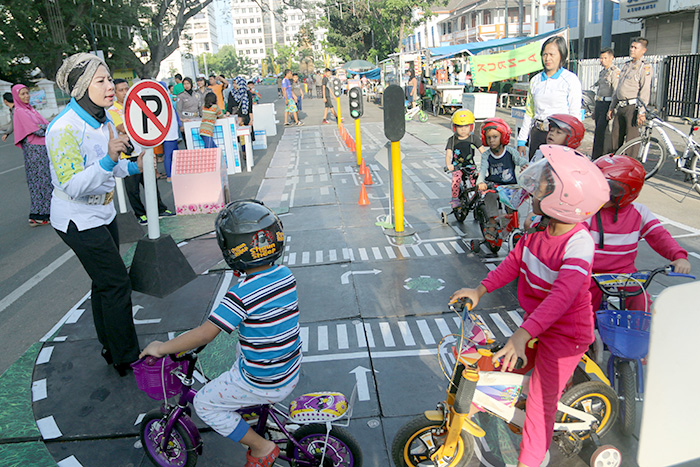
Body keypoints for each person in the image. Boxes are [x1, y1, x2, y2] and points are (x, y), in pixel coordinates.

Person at [450, 145, 610, 467]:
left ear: (565, 199)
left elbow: (562, 297)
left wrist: (523, 334)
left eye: (545, 184)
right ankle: (516, 415)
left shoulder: (579, 244)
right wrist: (481, 289)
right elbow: (513, 262)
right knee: (502, 367)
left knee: (539, 402)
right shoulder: (539, 228)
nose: (536, 187)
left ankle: (531, 459)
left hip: (565, 336)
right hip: (537, 325)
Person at [140, 200, 301, 467]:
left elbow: (205, 334)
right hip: (289, 367)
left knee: (204, 404)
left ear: (231, 250)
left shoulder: (241, 295)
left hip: (265, 381)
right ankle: (251, 415)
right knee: (244, 351)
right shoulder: (286, 275)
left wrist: (161, 348)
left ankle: (261, 447)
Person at [48, 53, 143, 375]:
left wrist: (133, 165)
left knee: (104, 283)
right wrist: (108, 160)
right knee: (117, 283)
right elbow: (73, 185)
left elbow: (111, 166)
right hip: (76, 218)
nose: (109, 87)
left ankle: (110, 345)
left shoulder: (103, 120)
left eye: (108, 79)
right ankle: (127, 356)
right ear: (80, 87)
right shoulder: (62, 128)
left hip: (103, 213)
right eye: (100, 81)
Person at [587, 155, 691, 313]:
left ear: (627, 192)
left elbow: (659, 236)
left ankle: (639, 333)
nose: (599, 192)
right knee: (584, 306)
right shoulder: (588, 210)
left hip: (623, 272)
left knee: (640, 300)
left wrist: (679, 257)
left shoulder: (640, 213)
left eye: (609, 188)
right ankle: (585, 336)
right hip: (589, 271)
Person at [107, 79, 173, 224]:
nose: (125, 92)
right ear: (115, 92)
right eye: (121, 90)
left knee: (151, 183)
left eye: (126, 89)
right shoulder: (112, 110)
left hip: (143, 150)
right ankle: (140, 214)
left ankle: (160, 209)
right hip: (127, 154)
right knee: (133, 189)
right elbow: (123, 128)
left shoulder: (136, 104)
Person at [517, 36, 582, 160]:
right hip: (537, 134)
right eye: (545, 54)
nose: (548, 58)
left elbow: (574, 114)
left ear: (562, 56)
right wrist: (522, 140)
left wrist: (572, 140)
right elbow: (529, 112)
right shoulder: (535, 80)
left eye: (552, 54)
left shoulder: (570, 80)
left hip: (559, 138)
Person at [12, 84, 54, 226]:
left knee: (46, 180)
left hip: (41, 149)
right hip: (34, 151)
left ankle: (46, 212)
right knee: (38, 182)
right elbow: (36, 129)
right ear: (17, 96)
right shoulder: (19, 111)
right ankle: (37, 215)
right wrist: (46, 127)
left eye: (27, 93)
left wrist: (46, 127)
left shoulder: (30, 110)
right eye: (22, 94)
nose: (26, 96)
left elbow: (46, 124)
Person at [476, 118, 528, 223]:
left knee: (513, 212)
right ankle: (492, 222)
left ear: (503, 137)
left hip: (510, 187)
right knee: (489, 196)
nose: (491, 140)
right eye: (488, 137)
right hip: (494, 187)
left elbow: (520, 161)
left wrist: (527, 166)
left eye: (495, 137)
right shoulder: (486, 155)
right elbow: (482, 170)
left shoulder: (511, 152)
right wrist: (480, 182)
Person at [608, 38, 652, 157]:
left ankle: (630, 167)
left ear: (643, 51)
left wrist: (642, 112)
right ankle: (614, 162)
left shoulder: (644, 67)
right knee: (615, 137)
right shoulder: (626, 65)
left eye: (635, 48)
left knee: (632, 140)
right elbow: (618, 88)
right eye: (631, 47)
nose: (632, 49)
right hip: (620, 106)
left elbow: (645, 89)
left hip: (632, 108)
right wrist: (612, 107)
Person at [445, 110, 480, 208]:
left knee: (476, 180)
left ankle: (478, 196)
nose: (463, 129)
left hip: (470, 165)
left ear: (471, 127)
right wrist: (449, 165)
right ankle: (455, 198)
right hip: (457, 166)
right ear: (454, 127)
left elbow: (484, 152)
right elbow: (448, 154)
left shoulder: (474, 139)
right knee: (456, 180)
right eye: (460, 127)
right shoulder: (452, 140)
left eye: (466, 126)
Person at [592, 48, 620, 159]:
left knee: (604, 132)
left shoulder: (615, 71)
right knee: (598, 130)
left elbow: (615, 91)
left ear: (611, 58)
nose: (602, 60)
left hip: (607, 103)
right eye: (601, 58)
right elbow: (599, 91)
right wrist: (595, 109)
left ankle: (603, 156)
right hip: (599, 103)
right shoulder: (602, 72)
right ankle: (596, 155)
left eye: (605, 58)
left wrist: (611, 108)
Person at [176, 77, 203, 142]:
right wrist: (181, 124)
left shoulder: (197, 94)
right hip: (186, 119)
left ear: (191, 84)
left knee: (198, 141)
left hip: (196, 118)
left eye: (188, 83)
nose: (186, 86)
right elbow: (178, 110)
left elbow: (200, 108)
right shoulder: (181, 96)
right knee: (189, 141)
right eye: (184, 84)